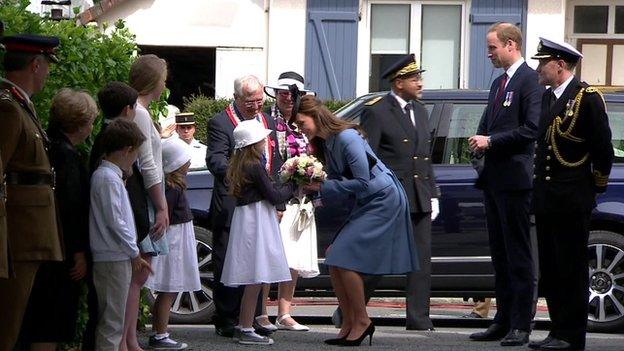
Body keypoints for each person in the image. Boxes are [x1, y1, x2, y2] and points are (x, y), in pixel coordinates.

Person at [295, 95, 419, 346]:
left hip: (383, 200)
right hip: (368, 200)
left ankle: (361, 320)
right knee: (334, 258)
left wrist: (323, 186)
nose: (300, 129)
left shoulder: (346, 138)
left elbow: (362, 182)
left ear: (316, 116)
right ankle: (350, 322)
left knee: (342, 256)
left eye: (301, 122)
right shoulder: (327, 142)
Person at [529, 38, 614, 351]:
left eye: (543, 63)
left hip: (572, 198)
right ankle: (557, 329)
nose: (539, 68)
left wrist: (594, 186)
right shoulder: (549, 97)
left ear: (559, 65)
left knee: (571, 268)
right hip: (548, 199)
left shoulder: (586, 98)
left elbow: (602, 149)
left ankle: (572, 335)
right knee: (551, 269)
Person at [467, 22, 543, 347]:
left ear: (511, 44)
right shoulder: (499, 83)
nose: (488, 54)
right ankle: (502, 319)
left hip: (516, 181)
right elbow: (488, 122)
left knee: (519, 255)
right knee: (499, 255)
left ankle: (521, 323)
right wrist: (480, 143)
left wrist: (491, 142)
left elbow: (531, 129)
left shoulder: (530, 81)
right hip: (495, 181)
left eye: (492, 47)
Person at [360, 54, 440, 331]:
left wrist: (432, 192)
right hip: (392, 196)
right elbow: (368, 158)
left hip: (418, 194)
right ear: (398, 82)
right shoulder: (377, 110)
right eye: (414, 78)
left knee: (421, 260)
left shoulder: (419, 109)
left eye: (419, 77)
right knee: (378, 257)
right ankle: (350, 309)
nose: (420, 83)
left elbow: (424, 156)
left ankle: (419, 318)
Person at [18, 89, 97, 351]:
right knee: (50, 321)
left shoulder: (48, 145)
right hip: (61, 252)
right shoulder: (67, 156)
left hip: (42, 243)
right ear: (82, 124)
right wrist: (78, 253)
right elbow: (71, 208)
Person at [206, 74, 283, 338]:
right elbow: (214, 160)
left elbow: (276, 159)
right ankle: (226, 317)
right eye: (250, 101)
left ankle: (252, 317)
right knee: (229, 260)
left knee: (258, 260)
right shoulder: (220, 122)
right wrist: (244, 176)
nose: (255, 105)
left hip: (262, 202)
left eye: (259, 100)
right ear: (237, 98)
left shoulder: (268, 121)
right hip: (233, 202)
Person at [0, 34, 64, 351]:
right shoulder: (9, 108)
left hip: (26, 233)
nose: (48, 73)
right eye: (47, 66)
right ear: (35, 64)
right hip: (17, 234)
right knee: (6, 326)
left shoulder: (20, 104)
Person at [221, 119, 295, 345]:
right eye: (262, 138)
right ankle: (245, 327)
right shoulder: (254, 166)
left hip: (250, 218)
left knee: (253, 276)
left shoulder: (242, 164)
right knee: (255, 274)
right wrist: (295, 184)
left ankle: (245, 325)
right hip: (256, 219)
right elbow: (274, 195)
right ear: (253, 143)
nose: (266, 140)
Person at [89, 119, 152, 351]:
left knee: (113, 319)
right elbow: (117, 222)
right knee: (112, 322)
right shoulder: (107, 178)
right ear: (127, 150)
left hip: (114, 255)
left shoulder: (110, 176)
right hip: (112, 256)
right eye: (135, 153)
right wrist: (134, 251)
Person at [264, 71, 318, 331]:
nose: (287, 98)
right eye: (283, 93)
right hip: (277, 199)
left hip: (301, 200)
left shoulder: (303, 124)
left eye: (293, 94)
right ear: (275, 94)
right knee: (271, 257)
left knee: (294, 258)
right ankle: (261, 312)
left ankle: (284, 313)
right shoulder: (267, 122)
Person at [125, 54, 170, 351]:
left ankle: (128, 338)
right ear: (155, 81)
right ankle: (127, 340)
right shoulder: (140, 112)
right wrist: (162, 206)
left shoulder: (140, 111)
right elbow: (148, 164)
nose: (165, 83)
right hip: (146, 196)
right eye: (163, 78)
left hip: (145, 194)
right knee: (138, 275)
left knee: (137, 276)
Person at [145, 138, 201, 350]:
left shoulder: (172, 186)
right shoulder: (173, 188)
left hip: (177, 237)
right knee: (169, 287)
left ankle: (160, 331)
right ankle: (160, 333)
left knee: (170, 289)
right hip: (174, 240)